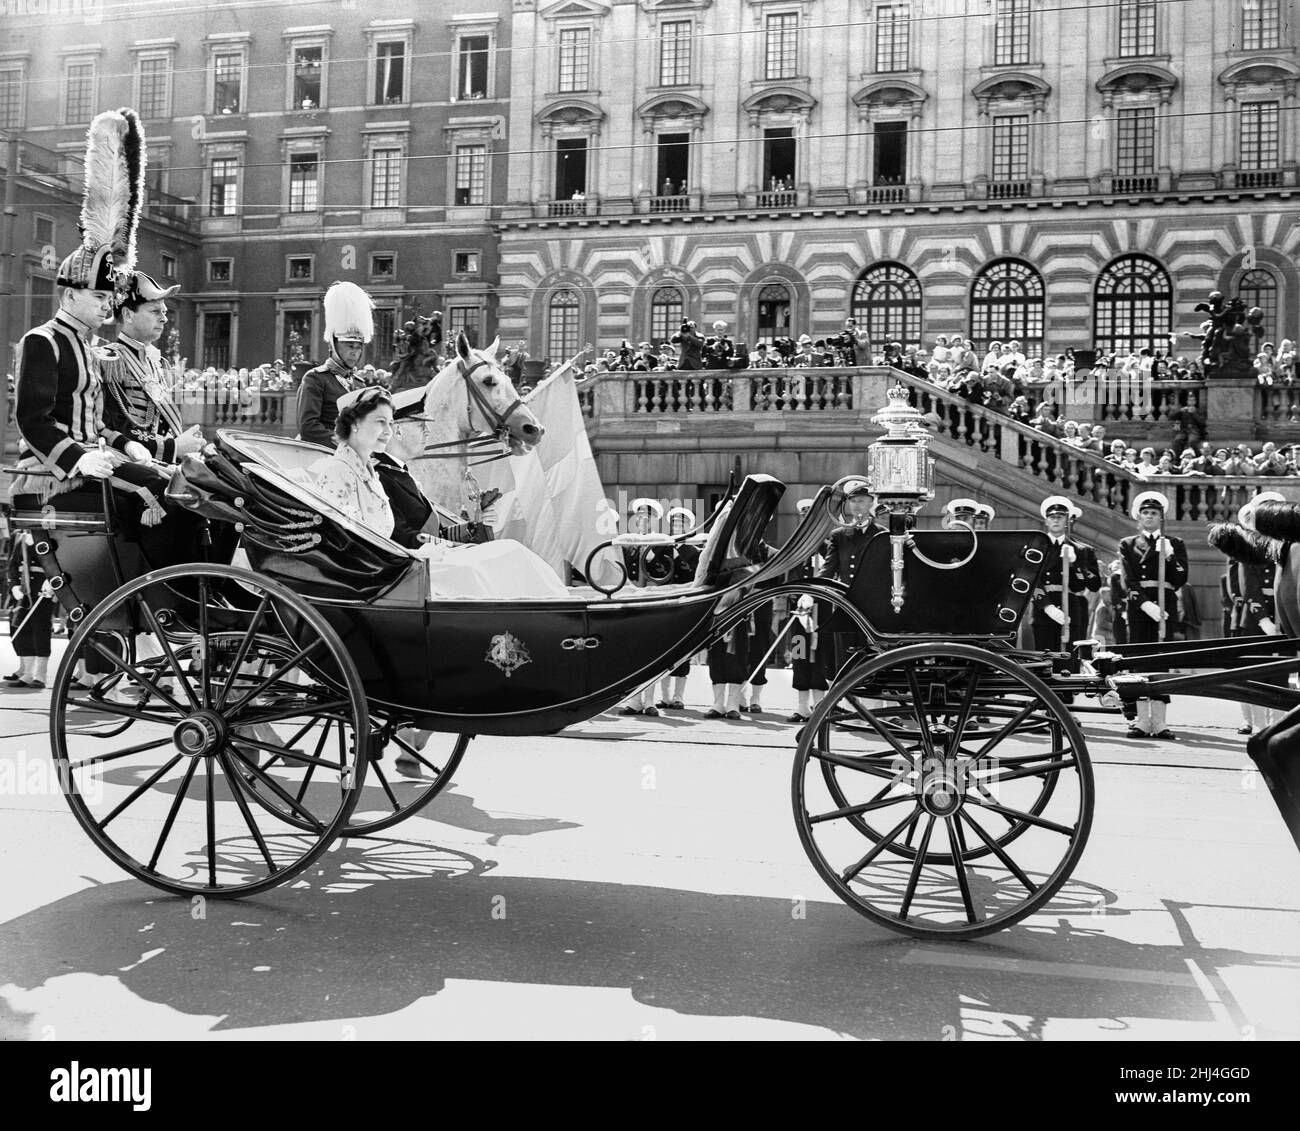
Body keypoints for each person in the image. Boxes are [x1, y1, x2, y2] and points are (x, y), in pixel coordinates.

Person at [310, 387, 567, 600]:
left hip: (406, 566)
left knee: (510, 553)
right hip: (390, 578)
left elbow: (411, 532)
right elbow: (360, 544)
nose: (387, 432)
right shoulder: (348, 472)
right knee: (486, 567)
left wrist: (468, 532)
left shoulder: (373, 474)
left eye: (389, 423)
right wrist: (448, 548)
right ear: (355, 425)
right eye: (380, 423)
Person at [102, 270, 205, 464]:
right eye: (155, 311)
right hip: (130, 461)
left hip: (160, 461)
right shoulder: (109, 360)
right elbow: (112, 424)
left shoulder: (159, 363)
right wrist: (173, 447)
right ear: (128, 315)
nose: (164, 318)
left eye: (164, 312)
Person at [1118, 491, 1188, 739]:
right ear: (1139, 517)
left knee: (1161, 663)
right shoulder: (1127, 544)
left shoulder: (1174, 544)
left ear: (1161, 518)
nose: (1149, 516)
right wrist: (1146, 605)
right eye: (1145, 513)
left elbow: (1180, 579)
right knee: (1138, 662)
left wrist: (1169, 556)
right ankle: (1141, 721)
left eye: (1154, 513)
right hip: (1140, 608)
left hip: (1165, 607)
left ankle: (1158, 722)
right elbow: (1128, 579)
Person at [1230, 492, 1287, 735]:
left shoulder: (1288, 545)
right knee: (1255, 673)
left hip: (1283, 614)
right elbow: (1248, 586)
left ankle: (1279, 724)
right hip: (1255, 620)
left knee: (1281, 674)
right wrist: (1264, 619)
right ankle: (1258, 724)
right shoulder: (1248, 546)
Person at [297, 281, 374, 447]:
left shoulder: (359, 384)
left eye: (358, 346)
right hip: (321, 454)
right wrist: (346, 443)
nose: (354, 352)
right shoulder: (315, 379)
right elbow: (308, 427)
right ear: (334, 345)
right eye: (349, 346)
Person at [816, 481, 879, 680]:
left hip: (872, 606)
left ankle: (873, 706)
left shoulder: (881, 535)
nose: (857, 505)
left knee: (872, 655)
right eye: (853, 501)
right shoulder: (839, 535)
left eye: (862, 500)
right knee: (844, 655)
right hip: (845, 603)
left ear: (871, 503)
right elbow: (828, 568)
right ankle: (843, 702)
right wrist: (810, 591)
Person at [1031, 496, 1101, 653]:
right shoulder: (1035, 548)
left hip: (1071, 609)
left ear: (1068, 521)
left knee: (1069, 661)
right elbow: (1031, 580)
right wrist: (1047, 607)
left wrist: (1075, 563)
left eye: (1060, 517)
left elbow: (1092, 585)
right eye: (1052, 517)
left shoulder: (1082, 550)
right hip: (1043, 611)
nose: (1056, 520)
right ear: (1046, 521)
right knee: (1045, 661)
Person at [656, 506, 700, 710]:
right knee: (664, 651)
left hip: (684, 604)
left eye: (681, 523)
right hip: (665, 604)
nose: (677, 527)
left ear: (689, 526)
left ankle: (678, 696)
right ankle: (664, 696)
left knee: (683, 653)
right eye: (674, 523)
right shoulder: (661, 548)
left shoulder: (693, 551)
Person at [5, 530, 52, 689]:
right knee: (23, 631)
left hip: (41, 592)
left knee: (40, 631)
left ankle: (40, 676)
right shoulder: (21, 538)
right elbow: (12, 566)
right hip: (23, 591)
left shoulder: (47, 537)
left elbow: (54, 564)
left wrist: (52, 584)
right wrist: (14, 587)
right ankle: (27, 674)